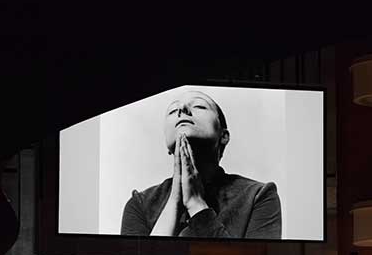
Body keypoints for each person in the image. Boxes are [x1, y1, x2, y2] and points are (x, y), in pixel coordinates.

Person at [121, 89, 282, 239]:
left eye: (199, 106)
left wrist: (195, 204)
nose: (182, 108)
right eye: (172, 111)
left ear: (224, 136)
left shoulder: (258, 195)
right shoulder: (139, 204)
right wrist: (174, 202)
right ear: (166, 142)